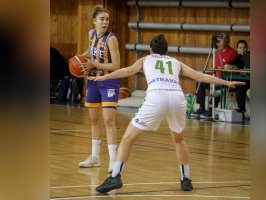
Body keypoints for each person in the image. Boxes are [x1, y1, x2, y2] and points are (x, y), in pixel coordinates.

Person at [88, 34, 245, 193]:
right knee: (179, 139)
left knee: (127, 139)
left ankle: (115, 176)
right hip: (177, 98)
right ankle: (186, 179)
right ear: (166, 51)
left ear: (150, 50)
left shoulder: (145, 59)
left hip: (157, 97)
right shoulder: (175, 62)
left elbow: (127, 70)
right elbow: (200, 76)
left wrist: (105, 77)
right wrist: (226, 82)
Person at [77, 7, 120, 172]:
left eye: (107, 19)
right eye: (102, 19)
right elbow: (91, 52)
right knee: (94, 121)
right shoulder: (91, 34)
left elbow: (116, 65)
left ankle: (113, 160)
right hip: (94, 80)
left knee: (109, 121)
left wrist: (95, 64)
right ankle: (95, 157)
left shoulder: (111, 39)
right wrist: (80, 58)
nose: (105, 22)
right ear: (94, 21)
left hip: (109, 81)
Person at [192, 33, 238, 119]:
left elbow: (232, 69)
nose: (219, 40)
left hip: (224, 81)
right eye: (219, 38)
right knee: (200, 82)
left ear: (228, 40)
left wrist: (222, 69)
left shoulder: (233, 52)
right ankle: (201, 107)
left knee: (218, 87)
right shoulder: (216, 53)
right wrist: (203, 74)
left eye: (222, 38)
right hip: (214, 79)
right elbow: (214, 69)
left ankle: (211, 109)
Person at [225, 40, 250, 113]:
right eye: (240, 48)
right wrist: (239, 56)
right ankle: (241, 110)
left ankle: (241, 110)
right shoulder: (237, 57)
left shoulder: (250, 56)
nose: (242, 50)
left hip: (249, 82)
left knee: (239, 88)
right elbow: (228, 66)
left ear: (247, 48)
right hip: (239, 83)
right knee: (239, 90)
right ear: (237, 49)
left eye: (244, 48)